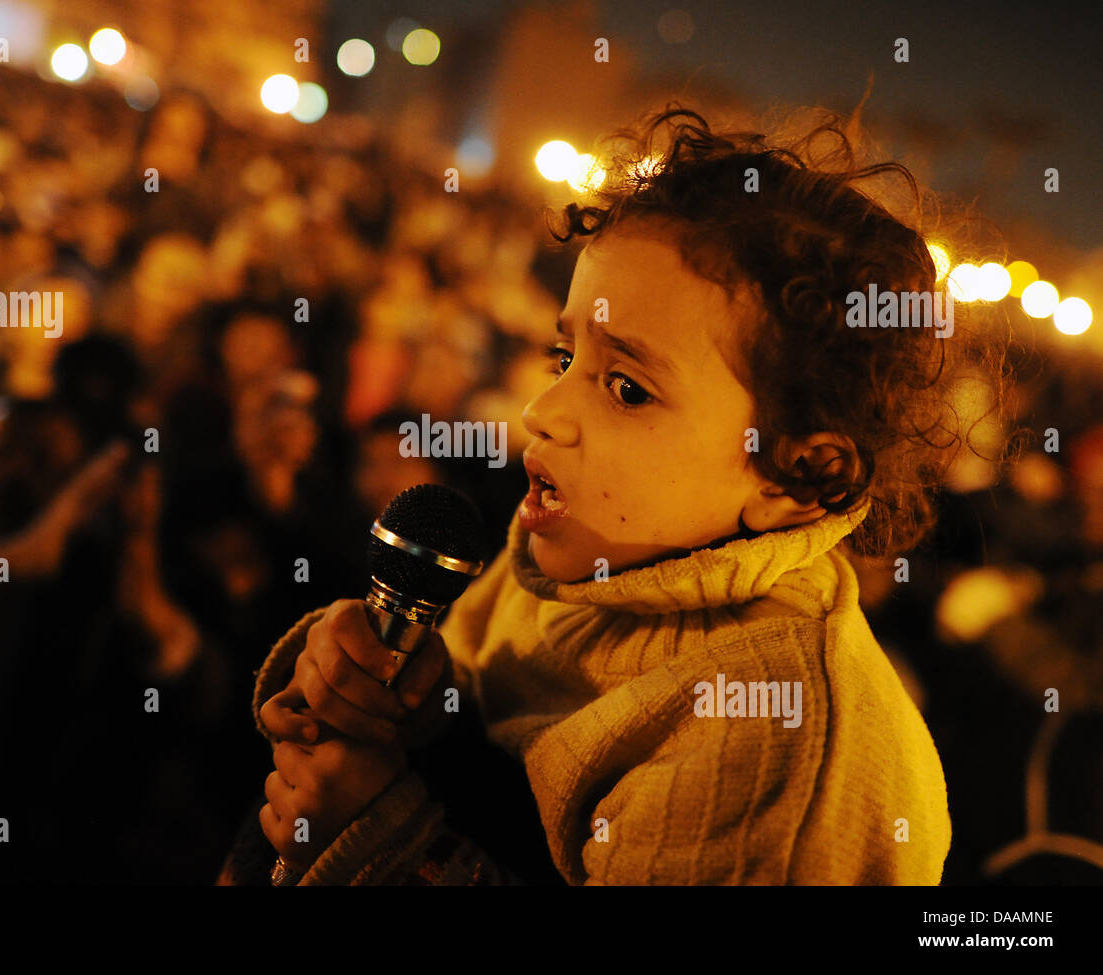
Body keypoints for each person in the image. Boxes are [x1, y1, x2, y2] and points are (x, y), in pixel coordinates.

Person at [219, 103, 1018, 885]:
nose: (542, 413)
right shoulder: (577, 549)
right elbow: (502, 755)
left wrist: (383, 837)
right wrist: (409, 700)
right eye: (563, 358)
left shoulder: (775, 742)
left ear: (798, 479)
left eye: (628, 389)